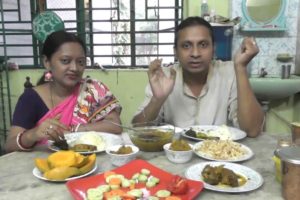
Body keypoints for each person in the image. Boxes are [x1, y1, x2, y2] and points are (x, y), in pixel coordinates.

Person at [132, 16, 264, 137]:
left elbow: (252, 130)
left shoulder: (229, 72)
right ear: (175, 52)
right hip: (176, 156)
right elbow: (137, 130)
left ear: (214, 49)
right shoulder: (164, 77)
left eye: (203, 45)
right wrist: (157, 100)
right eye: (186, 45)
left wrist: (241, 68)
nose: (195, 53)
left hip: (219, 155)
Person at [5, 30, 122, 152]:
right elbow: (9, 146)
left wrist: (73, 130)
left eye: (80, 62)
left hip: (92, 163)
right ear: (47, 62)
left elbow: (115, 125)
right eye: (65, 61)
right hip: (46, 166)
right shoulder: (31, 98)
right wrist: (32, 135)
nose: (74, 68)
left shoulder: (93, 90)